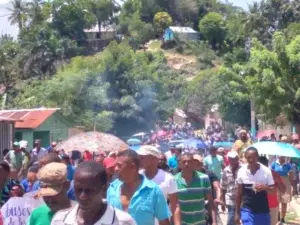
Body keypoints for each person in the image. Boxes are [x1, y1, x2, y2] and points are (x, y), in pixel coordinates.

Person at [51, 161, 137, 225]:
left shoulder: (123, 222)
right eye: (78, 189)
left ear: (104, 188)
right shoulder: (60, 220)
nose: (82, 196)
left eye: (89, 190)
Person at [107, 150, 171, 225]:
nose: (116, 169)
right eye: (115, 165)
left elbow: (164, 221)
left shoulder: (153, 190)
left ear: (133, 166)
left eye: (119, 165)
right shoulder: (112, 188)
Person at [138, 145, 181, 225]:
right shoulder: (136, 177)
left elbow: (175, 206)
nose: (139, 160)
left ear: (154, 159)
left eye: (142, 158)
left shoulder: (168, 179)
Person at [235, 147, 275, 225]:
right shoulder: (241, 171)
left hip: (263, 210)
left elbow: (273, 191)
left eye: (253, 157)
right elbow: (239, 193)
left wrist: (265, 188)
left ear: (257, 157)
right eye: (248, 157)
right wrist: (237, 213)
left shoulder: (266, 171)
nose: (251, 160)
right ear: (245, 158)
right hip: (247, 210)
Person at [175, 153, 217, 225]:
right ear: (179, 164)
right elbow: (173, 205)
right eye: (184, 162)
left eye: (189, 161)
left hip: (200, 222)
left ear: (193, 164)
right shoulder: (174, 180)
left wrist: (214, 221)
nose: (186, 164)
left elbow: (211, 202)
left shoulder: (204, 178)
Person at [193, 154, 222, 225]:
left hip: (209, 203)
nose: (195, 165)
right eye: (194, 163)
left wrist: (218, 198)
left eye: (197, 163)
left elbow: (218, 188)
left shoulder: (209, 174)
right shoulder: (189, 175)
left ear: (201, 164)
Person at [259, 156, 285, 225]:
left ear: (267, 164)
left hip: (272, 206)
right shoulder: (254, 174)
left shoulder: (274, 174)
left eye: (264, 165)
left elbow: (283, 190)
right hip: (258, 206)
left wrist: (278, 181)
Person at [220, 151, 241, 225]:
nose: (232, 160)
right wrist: (222, 201)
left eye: (234, 158)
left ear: (237, 158)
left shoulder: (243, 169)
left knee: (240, 220)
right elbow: (223, 186)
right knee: (231, 220)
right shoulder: (226, 170)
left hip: (242, 199)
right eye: (230, 159)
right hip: (230, 198)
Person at [271, 156, 293, 223]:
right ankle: (277, 216)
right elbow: (271, 173)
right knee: (276, 200)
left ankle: (282, 218)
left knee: (284, 201)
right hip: (276, 182)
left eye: (283, 156)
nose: (281, 156)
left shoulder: (288, 165)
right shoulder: (274, 164)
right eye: (280, 155)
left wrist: (291, 174)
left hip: (285, 183)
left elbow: (291, 177)